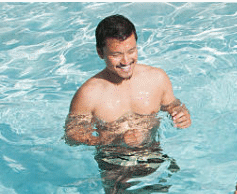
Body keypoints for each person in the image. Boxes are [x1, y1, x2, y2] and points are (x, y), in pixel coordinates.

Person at [64, 14, 191, 148]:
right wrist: (116, 140)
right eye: (116, 54)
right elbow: (72, 136)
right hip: (113, 162)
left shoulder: (157, 78)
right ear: (100, 53)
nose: (126, 61)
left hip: (154, 154)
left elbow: (171, 105)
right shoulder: (89, 94)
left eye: (131, 51)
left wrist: (181, 114)